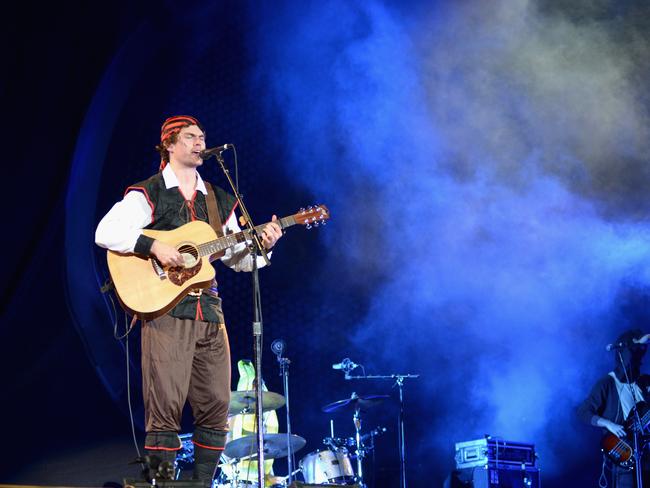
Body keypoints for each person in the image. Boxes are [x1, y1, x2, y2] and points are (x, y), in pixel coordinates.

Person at [95, 115, 282, 482]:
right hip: (167, 311)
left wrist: (265, 246)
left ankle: (199, 484)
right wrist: (155, 246)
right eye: (191, 137)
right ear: (169, 144)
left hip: (211, 313)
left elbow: (239, 259)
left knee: (217, 407)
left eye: (202, 137)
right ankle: (160, 483)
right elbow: (106, 231)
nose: (200, 142)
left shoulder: (218, 198)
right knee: (163, 411)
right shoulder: (149, 191)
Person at [577, 328, 650, 488]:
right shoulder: (607, 383)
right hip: (624, 455)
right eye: (633, 355)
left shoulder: (645, 382)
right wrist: (609, 424)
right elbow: (583, 412)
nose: (638, 361)